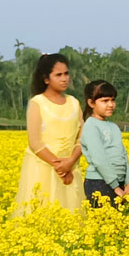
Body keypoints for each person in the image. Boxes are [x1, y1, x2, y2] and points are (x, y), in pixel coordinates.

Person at [13, 54, 84, 215]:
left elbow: (81, 138)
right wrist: (60, 166)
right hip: (43, 170)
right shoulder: (38, 103)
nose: (64, 78)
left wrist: (70, 162)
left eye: (66, 74)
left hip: (70, 169)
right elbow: (35, 142)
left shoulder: (74, 103)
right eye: (58, 75)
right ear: (46, 79)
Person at [81, 80, 129, 207]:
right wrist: (116, 187)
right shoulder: (91, 126)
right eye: (105, 101)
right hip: (99, 182)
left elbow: (123, 155)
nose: (111, 105)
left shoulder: (114, 127)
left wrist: (128, 182)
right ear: (91, 103)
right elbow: (99, 159)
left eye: (113, 100)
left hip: (118, 183)